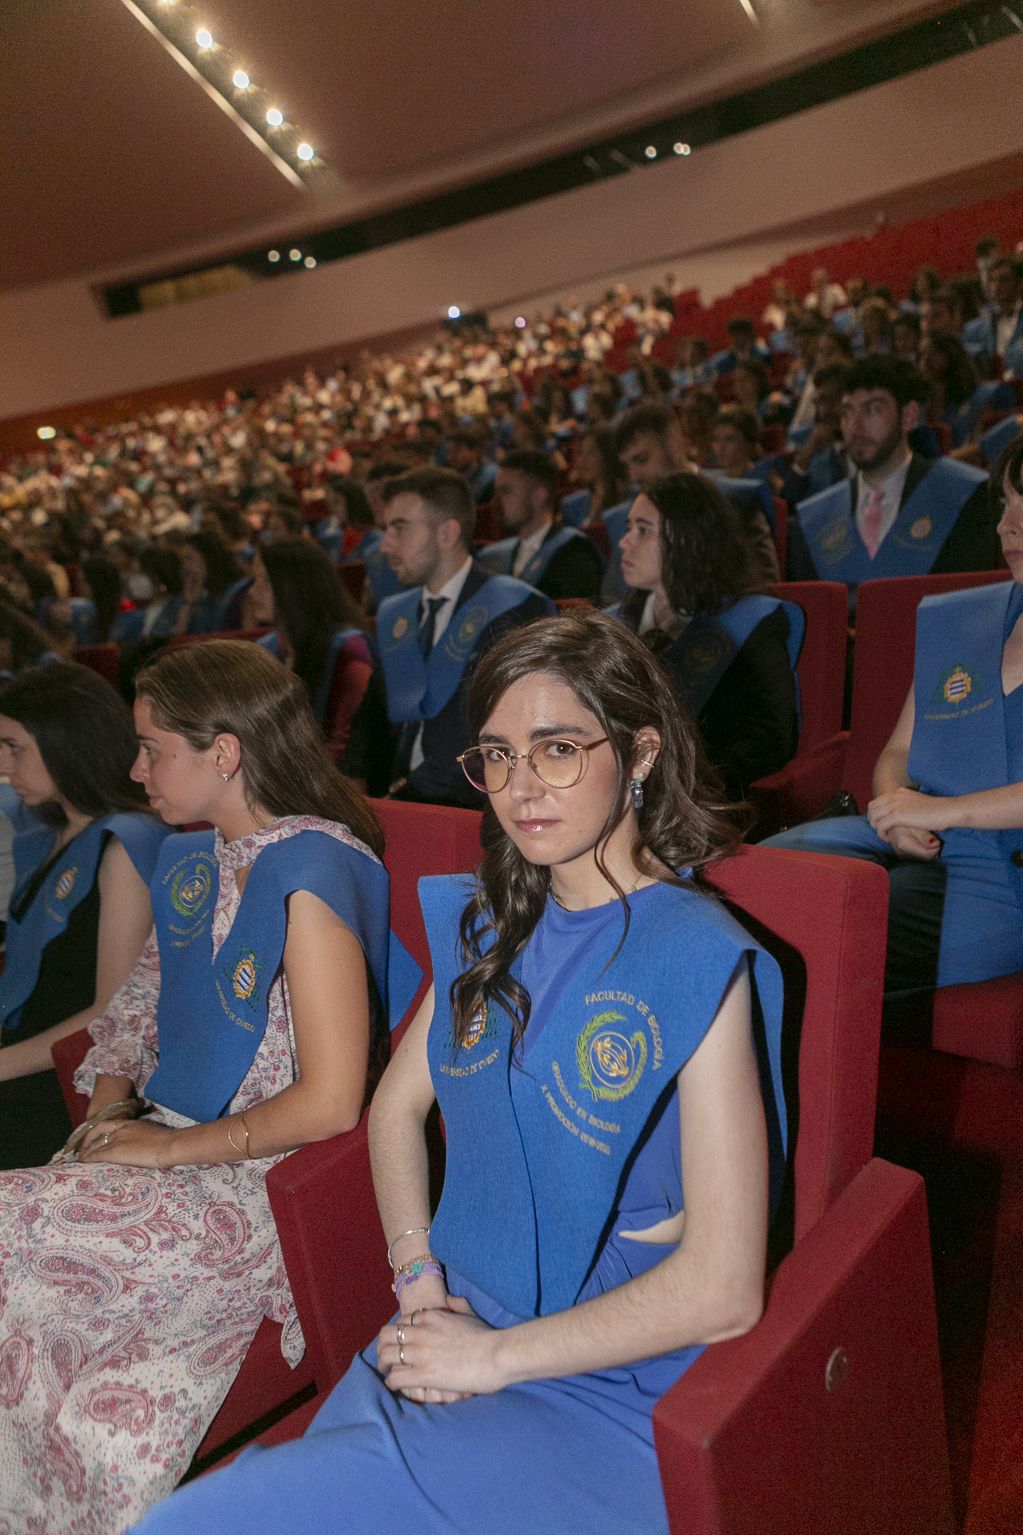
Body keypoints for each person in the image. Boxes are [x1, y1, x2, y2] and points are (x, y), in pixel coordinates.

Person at [131, 608, 786, 1535]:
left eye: (556, 748)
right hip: (452, 1324)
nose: (521, 788)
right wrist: (416, 1277)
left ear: (638, 755)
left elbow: (724, 1285)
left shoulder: (696, 956)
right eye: (498, 756)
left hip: (599, 1378)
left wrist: (494, 1359)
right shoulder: (494, 920)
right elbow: (394, 1111)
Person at [0, 640, 417, 1533]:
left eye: (153, 748)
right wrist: (111, 1105)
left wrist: (159, 1148)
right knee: (29, 1332)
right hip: (167, 1151)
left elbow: (332, 1099)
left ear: (224, 752)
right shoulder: (197, 857)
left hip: (259, 1182)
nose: (132, 767)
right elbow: (136, 1007)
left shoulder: (312, 867)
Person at [764, 436, 1023, 997]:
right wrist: (896, 814)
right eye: (1004, 504)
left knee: (812, 936)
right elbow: (900, 752)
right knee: (751, 880)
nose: (1008, 525)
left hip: (1002, 872)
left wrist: (938, 811)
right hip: (917, 839)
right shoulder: (968, 618)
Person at [0, 663, 168, 1167]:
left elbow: (110, 1013)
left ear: (65, 742)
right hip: (27, 1048)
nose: (5, 767)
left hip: (68, 1074)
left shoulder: (125, 843)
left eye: (14, 748)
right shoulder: (54, 832)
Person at [343, 467, 552, 806]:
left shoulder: (513, 609)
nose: (385, 546)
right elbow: (371, 722)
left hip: (472, 807)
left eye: (399, 528)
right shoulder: (398, 614)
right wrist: (353, 785)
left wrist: (397, 800)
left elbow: (492, 738)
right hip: (397, 801)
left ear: (446, 534)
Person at [614, 474, 802, 800]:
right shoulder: (612, 624)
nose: (624, 541)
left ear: (686, 540)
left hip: (699, 804)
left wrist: (684, 785)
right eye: (629, 527)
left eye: (642, 530)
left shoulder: (747, 625)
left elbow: (768, 739)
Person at [786, 356, 997, 606]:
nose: (856, 426)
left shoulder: (964, 497)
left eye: (872, 410)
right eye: (847, 412)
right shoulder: (815, 520)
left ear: (908, 416)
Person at [612, 404, 779, 585]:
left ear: (675, 446)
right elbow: (616, 595)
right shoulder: (632, 518)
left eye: (641, 459)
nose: (633, 476)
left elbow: (762, 589)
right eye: (627, 465)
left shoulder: (735, 499)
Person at [255, 538, 374, 755]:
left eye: (265, 581)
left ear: (294, 586)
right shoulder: (266, 649)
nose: (253, 592)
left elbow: (348, 747)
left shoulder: (348, 649)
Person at [482, 450, 604, 600]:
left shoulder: (574, 552)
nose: (494, 502)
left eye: (506, 491)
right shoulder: (498, 556)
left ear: (539, 495)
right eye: (496, 492)